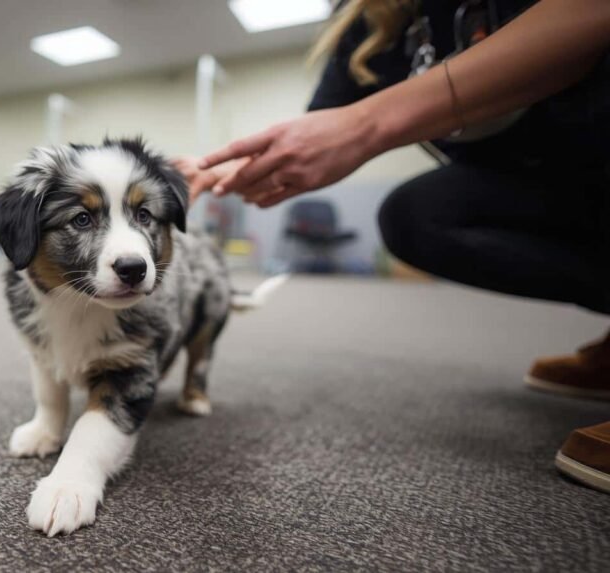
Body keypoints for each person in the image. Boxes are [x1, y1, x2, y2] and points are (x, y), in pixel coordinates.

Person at [175, 0, 610, 494]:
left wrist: (372, 123)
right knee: (418, 215)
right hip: (546, 183)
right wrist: (213, 170)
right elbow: (323, 126)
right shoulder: (368, 25)